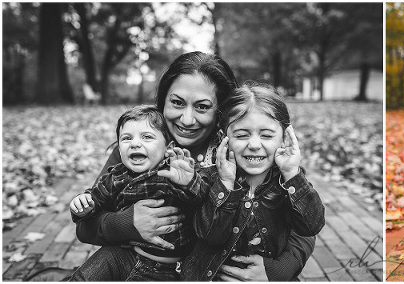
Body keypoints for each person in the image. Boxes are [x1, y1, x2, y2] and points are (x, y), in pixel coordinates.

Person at [74, 51, 315, 281]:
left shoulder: (238, 151)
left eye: (202, 107)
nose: (187, 120)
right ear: (163, 100)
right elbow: (85, 225)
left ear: (221, 110)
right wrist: (127, 223)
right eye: (177, 102)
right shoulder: (137, 152)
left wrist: (278, 271)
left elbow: (301, 224)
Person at [186, 83, 325, 281]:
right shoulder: (209, 179)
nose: (253, 145)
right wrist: (225, 183)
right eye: (242, 135)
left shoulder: (288, 181)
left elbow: (312, 226)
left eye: (267, 135)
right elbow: (210, 235)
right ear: (224, 137)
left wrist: (292, 173)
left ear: (284, 138)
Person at [69, 105, 205, 280]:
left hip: (168, 269)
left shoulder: (173, 173)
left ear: (168, 148)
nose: (134, 143)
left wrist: (189, 183)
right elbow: (95, 199)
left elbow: (198, 198)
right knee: (83, 277)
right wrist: (83, 204)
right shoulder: (116, 176)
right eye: (126, 138)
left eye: (147, 137)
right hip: (124, 255)